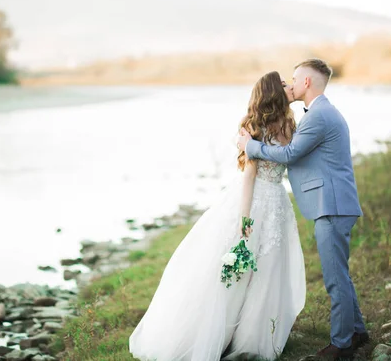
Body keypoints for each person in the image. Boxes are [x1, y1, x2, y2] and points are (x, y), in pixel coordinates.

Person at [130, 71, 306, 360]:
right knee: (239, 268)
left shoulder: (289, 123)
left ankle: (255, 338)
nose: (289, 87)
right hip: (254, 199)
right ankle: (218, 334)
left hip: (276, 201)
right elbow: (249, 174)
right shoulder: (256, 127)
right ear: (275, 91)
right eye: (284, 84)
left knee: (269, 269)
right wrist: (244, 217)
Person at [238, 59, 369, 360]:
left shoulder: (319, 116)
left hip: (332, 205)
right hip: (333, 203)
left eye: (295, 79)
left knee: (335, 278)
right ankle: (357, 331)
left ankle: (341, 345)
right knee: (341, 274)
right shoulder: (320, 113)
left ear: (307, 82)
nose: (292, 85)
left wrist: (252, 147)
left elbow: (291, 153)